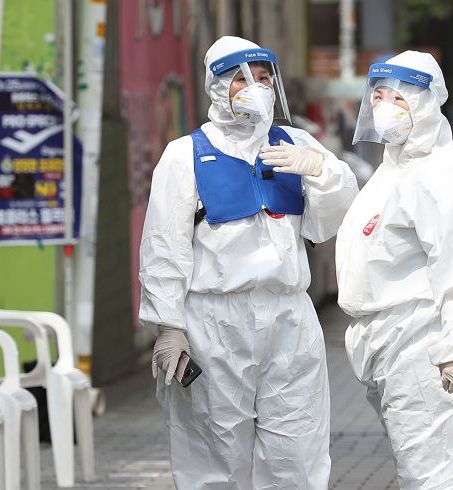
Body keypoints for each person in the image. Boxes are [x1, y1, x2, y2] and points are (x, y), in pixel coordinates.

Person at [139, 36, 358, 488]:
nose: (255, 88)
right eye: (241, 79)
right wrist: (169, 324)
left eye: (262, 79)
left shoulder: (295, 143)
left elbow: (337, 213)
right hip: (214, 322)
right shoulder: (184, 156)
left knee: (296, 447)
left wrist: (320, 169)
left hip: (288, 317)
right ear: (218, 87)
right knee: (213, 450)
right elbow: (164, 246)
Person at [335, 51, 453, 489]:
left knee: (435, 477)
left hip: (425, 347)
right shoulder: (393, 172)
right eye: (378, 95)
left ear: (428, 102)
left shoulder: (444, 170)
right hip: (391, 346)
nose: (385, 105)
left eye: (400, 96)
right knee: (426, 472)